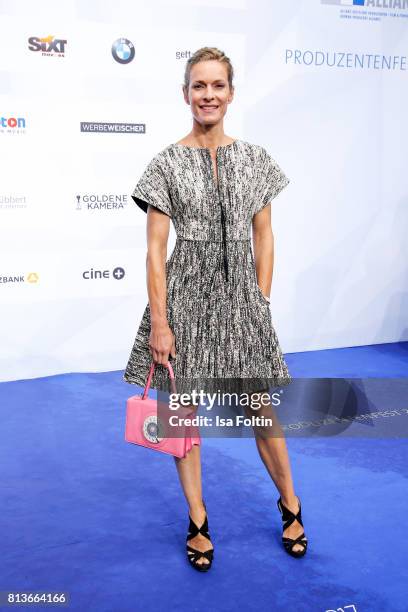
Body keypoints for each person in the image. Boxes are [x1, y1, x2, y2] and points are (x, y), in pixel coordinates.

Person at [123, 46, 308, 571]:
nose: (208, 95)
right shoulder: (165, 163)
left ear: (230, 93)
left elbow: (264, 233)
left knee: (259, 410)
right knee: (182, 414)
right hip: (184, 300)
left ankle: (290, 503)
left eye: (217, 86)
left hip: (242, 304)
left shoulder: (255, 159)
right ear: (186, 95)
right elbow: (155, 250)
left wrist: (261, 298)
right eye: (199, 86)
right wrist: (160, 321)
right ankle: (198, 517)